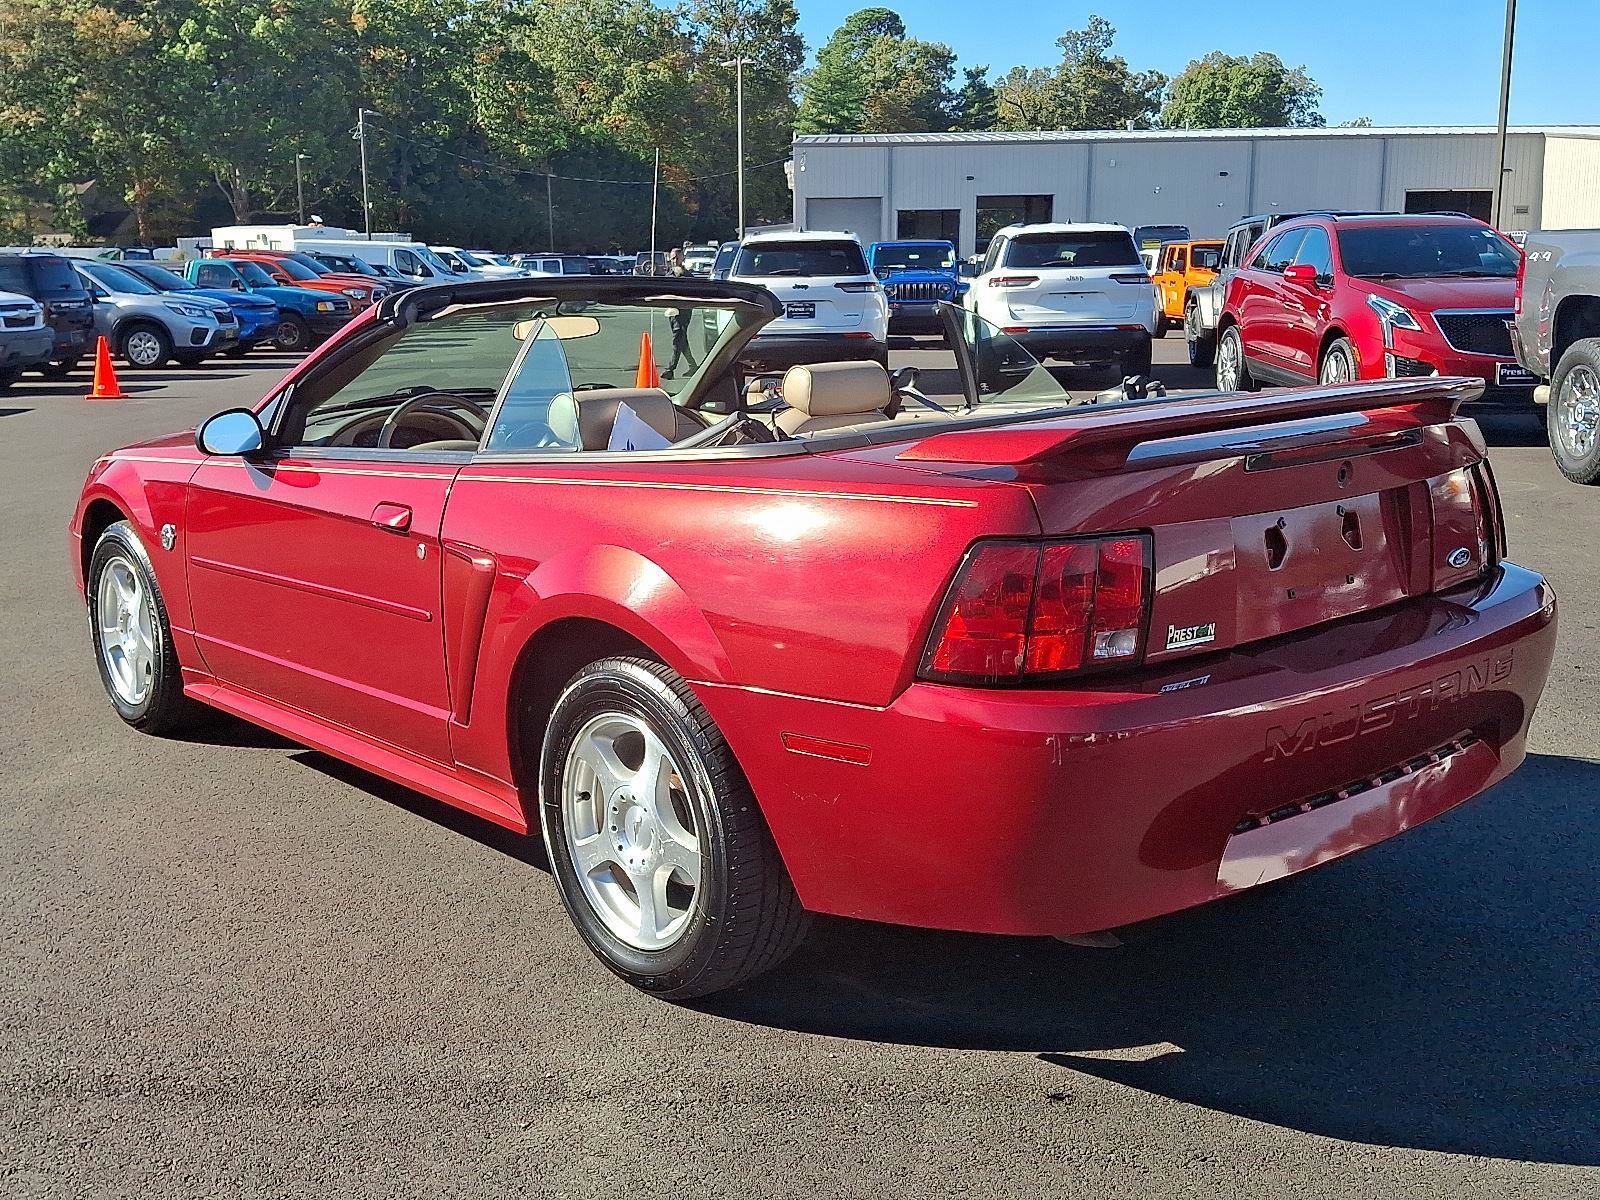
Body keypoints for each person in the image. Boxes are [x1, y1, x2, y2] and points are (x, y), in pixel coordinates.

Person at [662, 247, 700, 379]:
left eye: (677, 257)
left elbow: (694, 292)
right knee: (681, 340)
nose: (675, 261)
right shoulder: (668, 275)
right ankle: (693, 366)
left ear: (683, 258)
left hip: (683, 312)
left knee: (677, 339)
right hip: (672, 312)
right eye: (673, 258)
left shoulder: (688, 276)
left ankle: (670, 369)